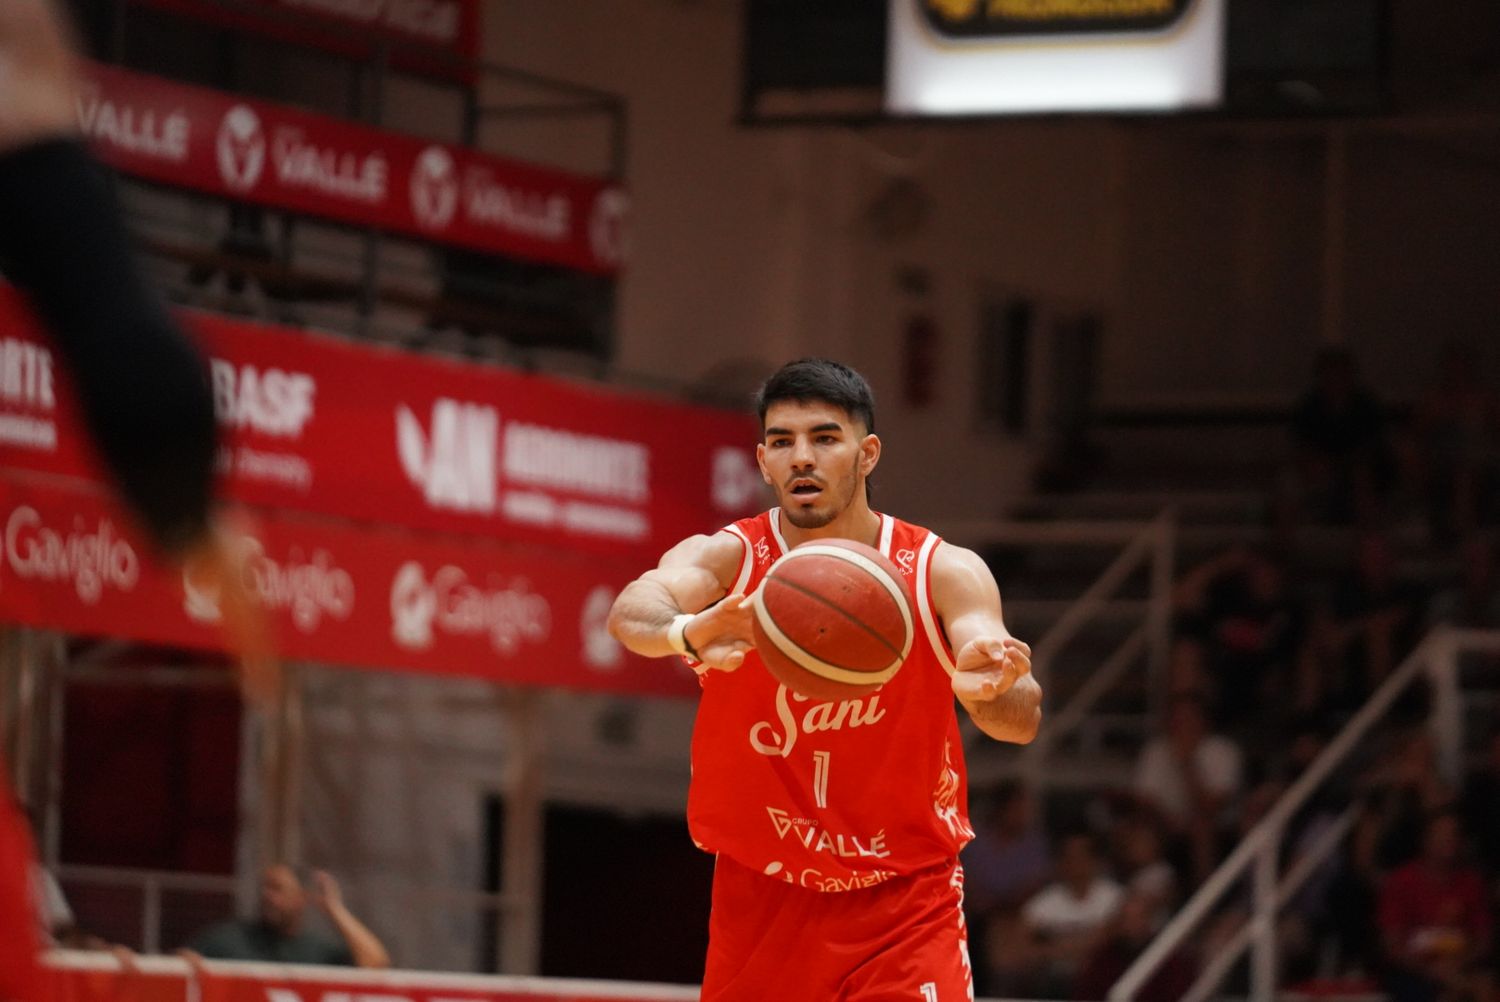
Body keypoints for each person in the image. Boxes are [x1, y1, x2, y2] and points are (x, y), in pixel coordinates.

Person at [607, 358, 1040, 1001]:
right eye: (782, 442)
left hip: (904, 899)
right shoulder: (732, 559)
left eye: (824, 438)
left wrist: (990, 686)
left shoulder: (941, 571)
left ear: (867, 454)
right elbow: (632, 612)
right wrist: (687, 632)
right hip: (761, 896)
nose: (801, 457)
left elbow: (1020, 719)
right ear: (762, 460)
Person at [2, 2, 277, 995]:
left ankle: (254, 651)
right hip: (140, 389)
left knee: (33, 59)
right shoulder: (165, 511)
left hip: (159, 374)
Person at [186, 864, 389, 968]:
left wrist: (335, 909)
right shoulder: (226, 939)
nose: (267, 895)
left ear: (301, 897)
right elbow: (180, 965)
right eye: (264, 888)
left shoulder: (317, 950)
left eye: (277, 888)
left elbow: (375, 962)